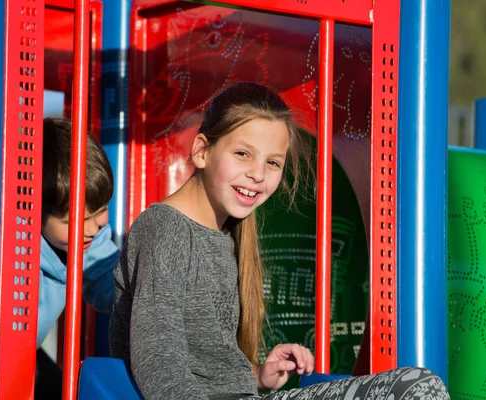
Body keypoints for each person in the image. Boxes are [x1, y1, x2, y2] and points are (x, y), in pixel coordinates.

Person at [109, 83, 449, 400]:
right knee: (416, 388)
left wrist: (257, 376)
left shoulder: (226, 234)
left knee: (422, 385)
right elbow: (157, 362)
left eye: (272, 162)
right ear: (201, 151)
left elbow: (210, 367)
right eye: (243, 154)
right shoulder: (165, 228)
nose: (258, 173)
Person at [35, 118, 120, 399]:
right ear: (34, 213)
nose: (96, 225)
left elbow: (108, 280)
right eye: (78, 219)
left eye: (102, 209)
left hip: (27, 355)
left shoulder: (88, 240)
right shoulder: (15, 252)